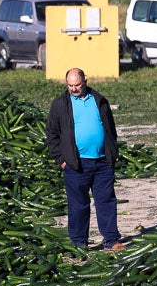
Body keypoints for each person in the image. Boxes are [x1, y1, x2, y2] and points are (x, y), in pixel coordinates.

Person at [45, 68, 124, 251]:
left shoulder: (99, 100)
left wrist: (112, 153)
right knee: (78, 205)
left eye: (77, 85)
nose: (73, 89)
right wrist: (61, 159)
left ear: (85, 81)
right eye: (70, 85)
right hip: (76, 163)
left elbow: (110, 129)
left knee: (106, 201)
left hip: (102, 162)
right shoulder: (59, 105)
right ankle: (79, 243)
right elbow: (51, 133)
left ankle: (111, 240)